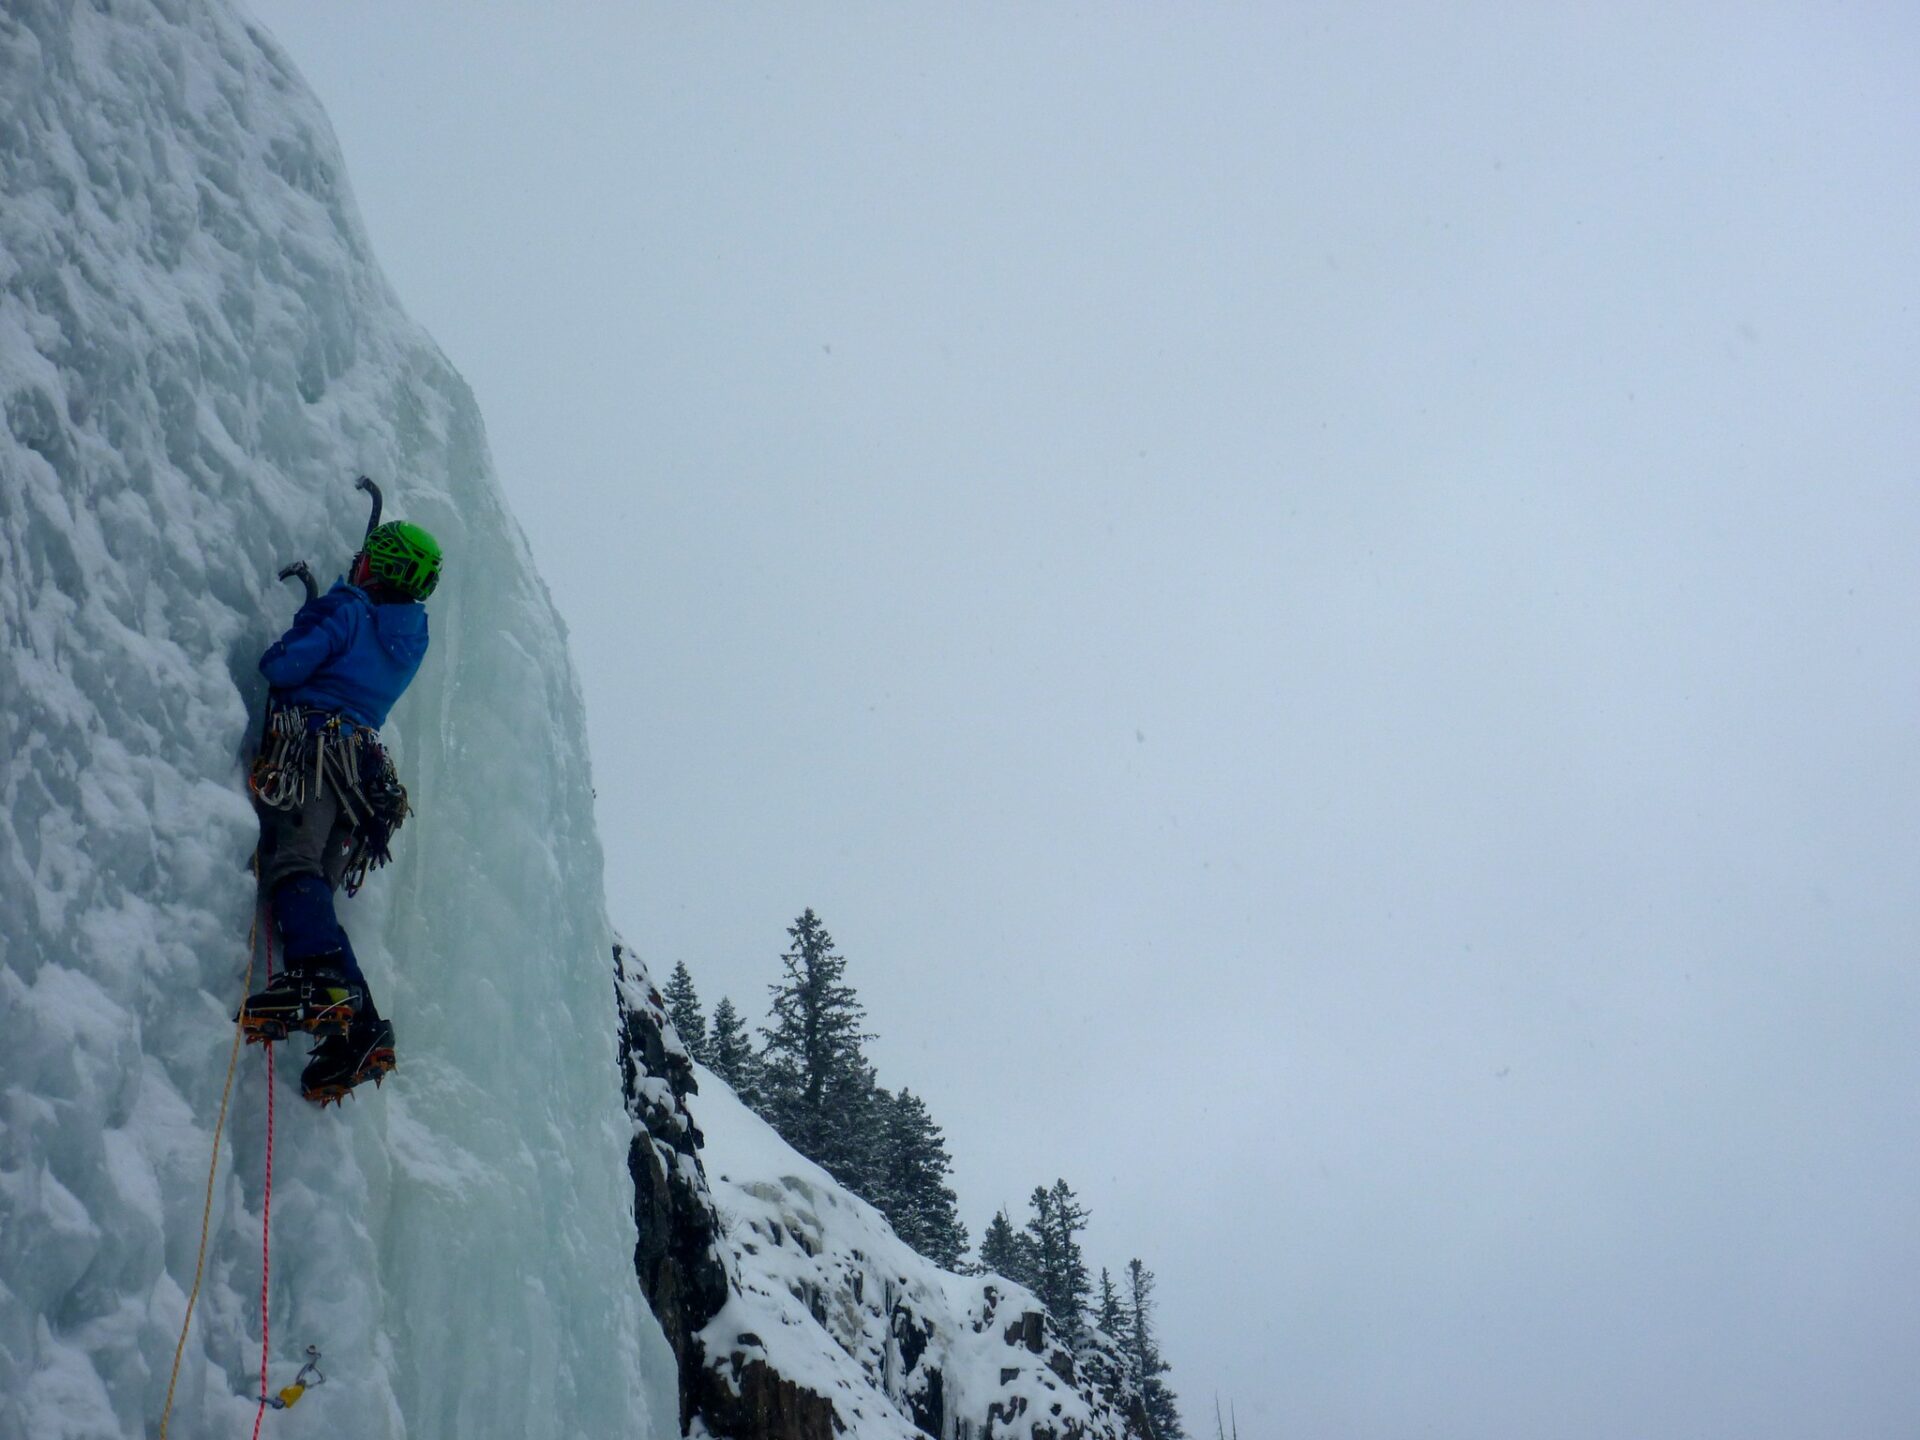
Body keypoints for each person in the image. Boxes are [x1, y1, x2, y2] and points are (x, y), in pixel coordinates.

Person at [237, 519, 442, 1104]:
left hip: (315, 754)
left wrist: (318, 613)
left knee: (291, 869)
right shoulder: (414, 638)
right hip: (363, 781)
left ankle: (318, 983)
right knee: (313, 898)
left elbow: (281, 668)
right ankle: (360, 1027)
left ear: (378, 567)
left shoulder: (348, 612)